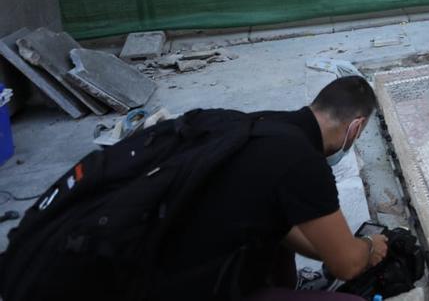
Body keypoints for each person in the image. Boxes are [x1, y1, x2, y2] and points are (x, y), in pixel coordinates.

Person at [3, 77, 389, 300]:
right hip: (160, 286)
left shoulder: (251, 125)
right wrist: (370, 247)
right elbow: (347, 264)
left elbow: (286, 229)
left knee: (272, 237)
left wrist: (329, 246)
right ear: (354, 128)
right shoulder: (302, 163)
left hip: (137, 263)